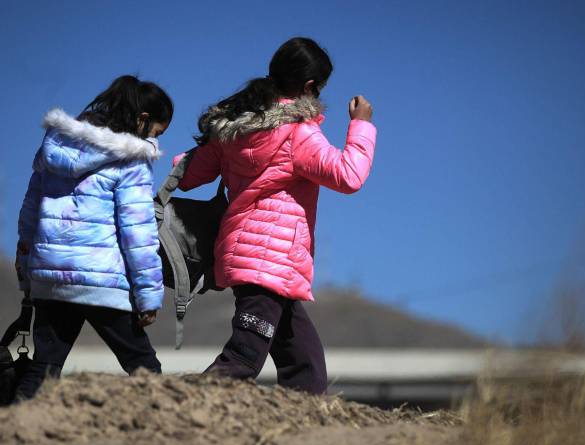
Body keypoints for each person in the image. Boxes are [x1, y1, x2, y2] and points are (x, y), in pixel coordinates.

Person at [174, 37, 376, 394]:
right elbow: (348, 175)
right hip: (271, 261)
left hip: (250, 258)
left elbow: (188, 177)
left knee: (306, 366)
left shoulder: (235, 128)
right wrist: (361, 125)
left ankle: (307, 436)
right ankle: (182, 408)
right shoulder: (299, 134)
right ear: (310, 87)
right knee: (243, 359)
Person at [14, 75, 172, 400]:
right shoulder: (132, 161)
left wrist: (27, 273)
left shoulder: (54, 148)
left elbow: (29, 215)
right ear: (142, 120)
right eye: (156, 134)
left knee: (42, 372)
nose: (153, 142)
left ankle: (14, 430)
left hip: (50, 281)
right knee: (144, 368)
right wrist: (148, 297)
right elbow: (137, 233)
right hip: (103, 283)